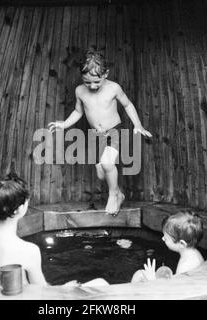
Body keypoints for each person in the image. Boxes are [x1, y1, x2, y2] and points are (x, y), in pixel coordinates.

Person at [48, 50, 152, 216]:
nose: (92, 86)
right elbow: (78, 111)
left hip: (114, 132)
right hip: (96, 136)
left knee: (108, 164)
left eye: (96, 81)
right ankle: (119, 192)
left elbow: (127, 105)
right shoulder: (80, 91)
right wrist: (64, 124)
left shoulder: (113, 88)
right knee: (101, 173)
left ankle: (113, 195)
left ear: (106, 74)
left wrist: (137, 125)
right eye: (87, 82)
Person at [0, 174, 108, 287]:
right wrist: (64, 289)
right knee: (101, 284)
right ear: (19, 209)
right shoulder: (27, 250)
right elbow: (42, 292)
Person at [131, 211, 204, 282]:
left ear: (182, 244)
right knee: (140, 274)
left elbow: (177, 293)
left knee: (139, 275)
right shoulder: (195, 254)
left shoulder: (184, 267)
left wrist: (152, 280)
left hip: (178, 292)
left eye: (166, 238)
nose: (163, 239)